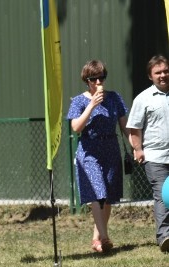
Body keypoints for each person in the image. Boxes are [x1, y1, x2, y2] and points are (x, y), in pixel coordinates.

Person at [67, 60, 129, 254]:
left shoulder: (114, 98)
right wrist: (92, 105)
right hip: (89, 150)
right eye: (94, 79)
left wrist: (135, 146)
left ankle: (96, 238)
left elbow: (124, 125)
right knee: (97, 192)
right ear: (87, 80)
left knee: (108, 196)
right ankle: (104, 236)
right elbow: (76, 128)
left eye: (102, 78)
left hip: (111, 147)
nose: (99, 82)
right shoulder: (79, 101)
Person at [127, 55, 169, 253]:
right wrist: (138, 149)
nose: (163, 75)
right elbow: (134, 128)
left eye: (165, 71)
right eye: (158, 72)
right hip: (155, 157)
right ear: (150, 76)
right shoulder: (143, 99)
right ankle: (165, 237)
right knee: (163, 195)